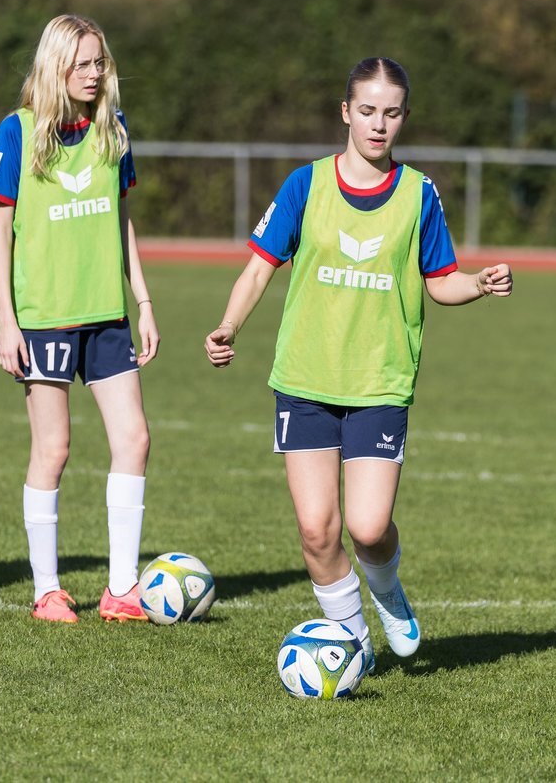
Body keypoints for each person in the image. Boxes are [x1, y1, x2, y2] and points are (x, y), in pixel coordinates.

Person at [204, 57, 514, 668]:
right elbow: (260, 265)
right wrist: (228, 325)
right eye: (367, 110)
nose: (378, 124)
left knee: (369, 529)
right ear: (345, 112)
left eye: (391, 112)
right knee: (318, 531)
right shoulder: (306, 184)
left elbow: (441, 281)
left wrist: (478, 283)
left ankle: (389, 594)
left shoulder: (419, 193)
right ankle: (353, 646)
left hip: (379, 380)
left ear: (403, 117)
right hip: (304, 379)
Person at [0, 14, 159, 624]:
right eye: (82, 63)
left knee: (134, 439)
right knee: (53, 449)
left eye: (99, 62)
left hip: (106, 315)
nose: (94, 73)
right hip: (43, 318)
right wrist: (7, 321)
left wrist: (143, 303)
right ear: (54, 64)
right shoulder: (18, 132)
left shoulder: (115, 129)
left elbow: (120, 220)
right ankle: (47, 590)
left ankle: (120, 589)